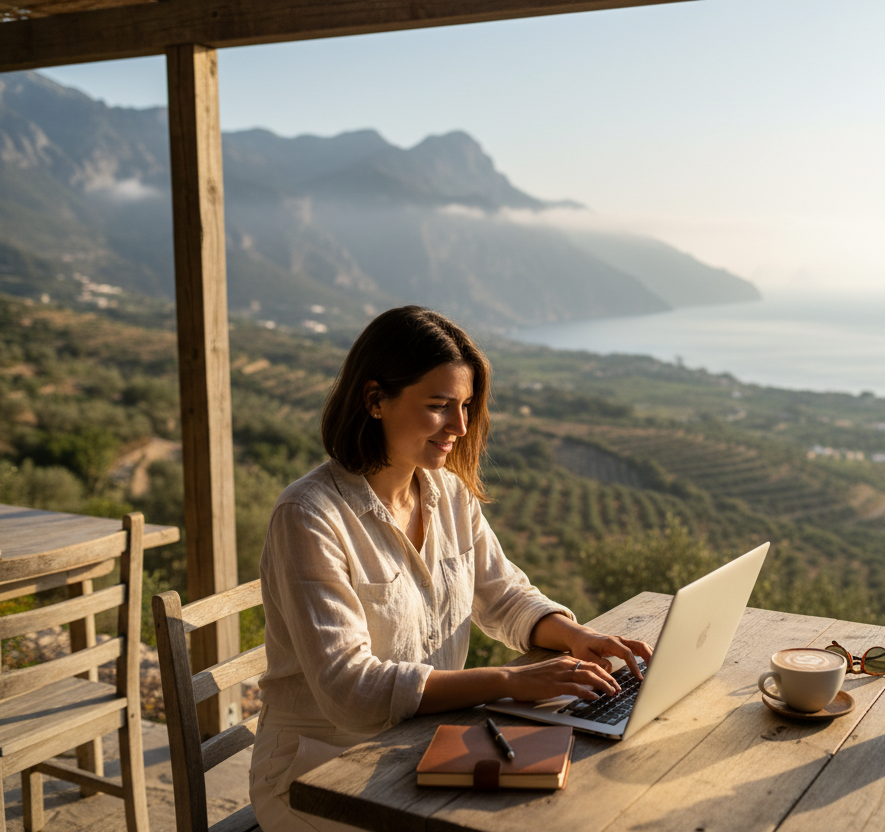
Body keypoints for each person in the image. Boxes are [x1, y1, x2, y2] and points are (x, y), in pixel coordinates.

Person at [249, 306, 652, 831]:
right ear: (374, 400)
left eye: (465, 407)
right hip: (318, 774)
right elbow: (350, 690)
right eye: (440, 406)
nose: (460, 427)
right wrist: (511, 680)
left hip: (428, 747)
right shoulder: (309, 516)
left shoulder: (448, 492)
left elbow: (502, 594)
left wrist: (576, 637)